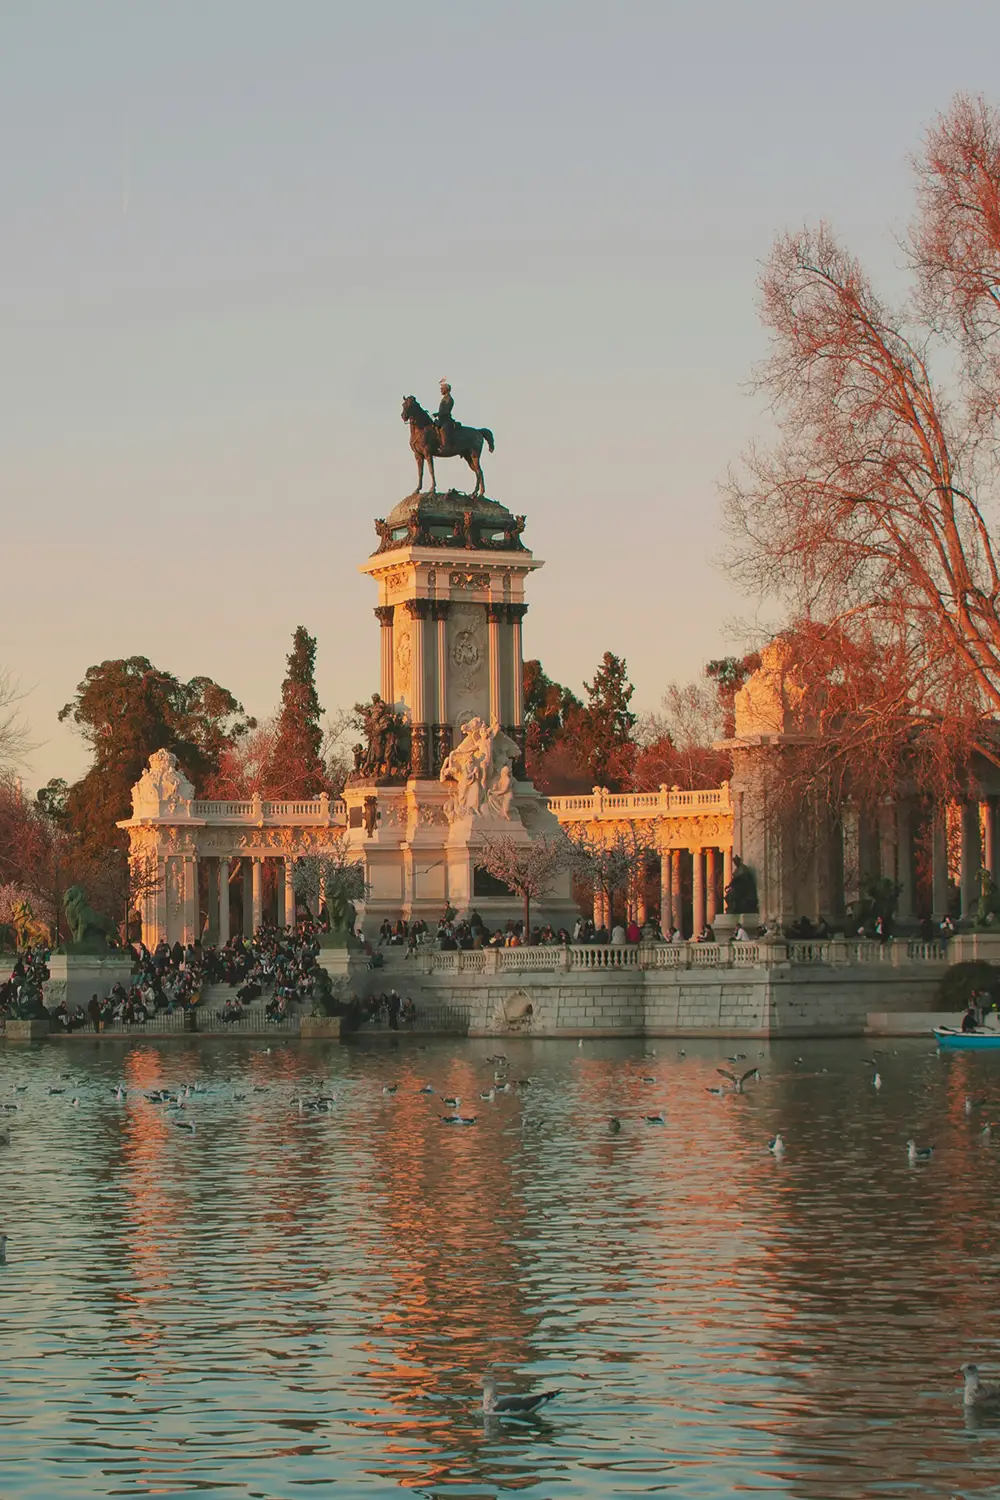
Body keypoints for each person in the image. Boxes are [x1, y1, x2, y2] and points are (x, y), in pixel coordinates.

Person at [434, 379, 456, 450]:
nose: (441, 390)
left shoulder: (449, 399)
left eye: (442, 389)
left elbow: (446, 411)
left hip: (446, 420)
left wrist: (437, 414)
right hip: (441, 419)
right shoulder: (444, 398)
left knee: (443, 430)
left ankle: (444, 446)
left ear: (446, 389)